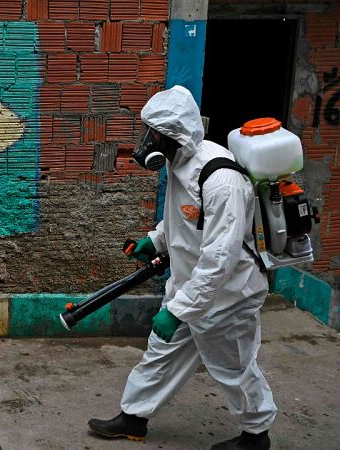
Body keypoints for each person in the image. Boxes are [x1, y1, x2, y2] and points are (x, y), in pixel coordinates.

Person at [87, 85, 276, 450]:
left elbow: (220, 258)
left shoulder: (221, 179)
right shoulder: (179, 162)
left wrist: (178, 310)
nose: (147, 140)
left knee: (234, 368)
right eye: (148, 131)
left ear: (174, 134)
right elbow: (184, 220)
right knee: (160, 352)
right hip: (190, 287)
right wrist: (156, 241)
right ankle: (133, 417)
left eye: (154, 133)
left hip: (228, 297)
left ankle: (256, 436)